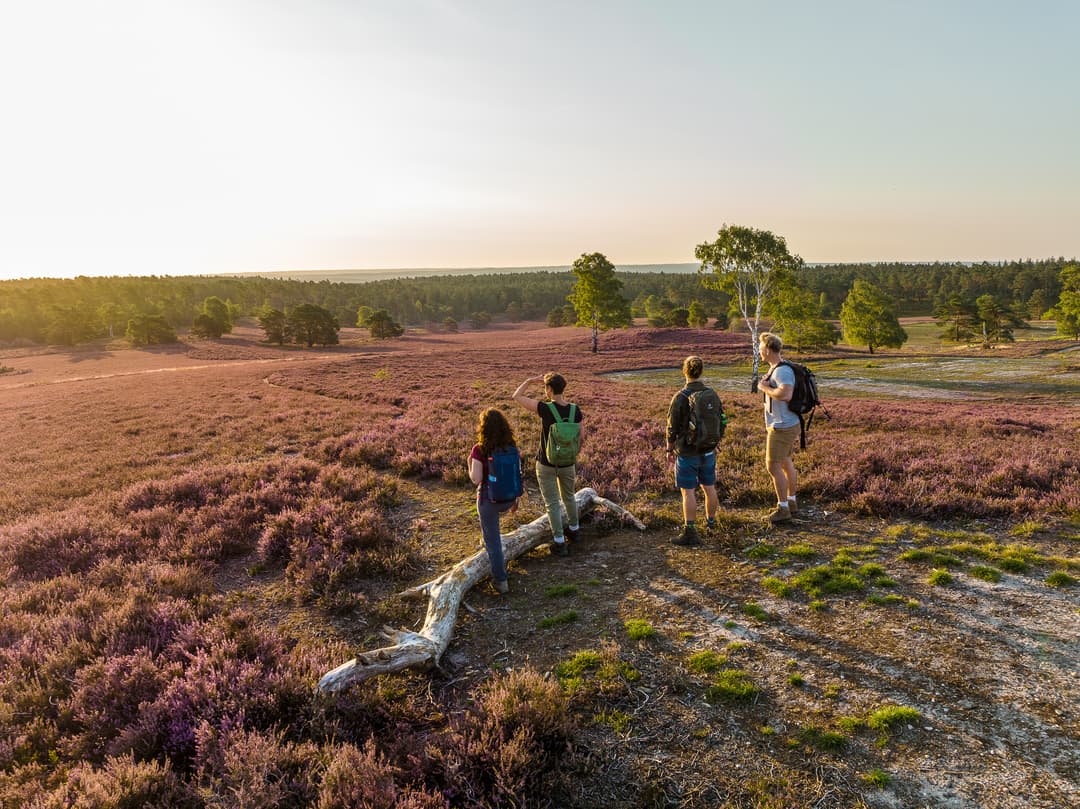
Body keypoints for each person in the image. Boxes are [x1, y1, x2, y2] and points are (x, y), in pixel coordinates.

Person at [512, 372, 582, 557]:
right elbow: (579, 437)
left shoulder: (545, 409)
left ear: (549, 389)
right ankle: (575, 531)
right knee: (569, 497)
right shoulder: (576, 410)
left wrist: (527, 380)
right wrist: (572, 453)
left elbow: (516, 396)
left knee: (552, 503)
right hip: (568, 463)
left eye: (545, 387)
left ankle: (559, 542)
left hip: (546, 463)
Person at [665, 356, 720, 546]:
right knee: (709, 487)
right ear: (701, 371)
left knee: (688, 492)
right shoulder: (711, 393)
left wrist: (669, 448)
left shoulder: (680, 397)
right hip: (709, 450)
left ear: (684, 371)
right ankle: (711, 523)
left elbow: (671, 427)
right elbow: (721, 419)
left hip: (687, 453)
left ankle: (690, 532)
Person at [468, 408, 520, 593]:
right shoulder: (512, 445)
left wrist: (469, 463)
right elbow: (516, 473)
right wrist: (515, 499)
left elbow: (476, 479)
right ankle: (487, 542)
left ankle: (501, 581)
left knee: (494, 542)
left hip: (489, 501)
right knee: (491, 538)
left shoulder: (479, 449)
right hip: (509, 498)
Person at [755, 332, 800, 524]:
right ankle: (791, 502)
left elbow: (786, 394)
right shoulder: (778, 367)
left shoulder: (781, 371)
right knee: (785, 462)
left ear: (767, 349)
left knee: (773, 466)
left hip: (781, 426)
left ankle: (783, 509)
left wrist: (764, 388)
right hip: (787, 423)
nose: (759, 352)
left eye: (760, 348)